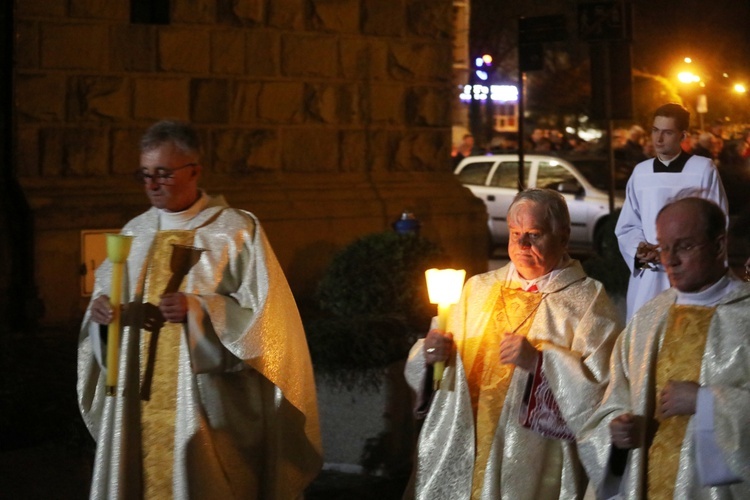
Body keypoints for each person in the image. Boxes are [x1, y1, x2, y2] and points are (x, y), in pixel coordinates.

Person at [77, 120, 323, 499]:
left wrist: (201, 312)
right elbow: (105, 308)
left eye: (163, 174)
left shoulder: (236, 231)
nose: (152, 185)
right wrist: (101, 318)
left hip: (206, 403)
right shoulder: (133, 232)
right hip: (135, 399)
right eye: (145, 175)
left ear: (195, 171)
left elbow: (267, 320)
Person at [404, 189, 622, 499]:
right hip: (463, 441)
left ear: (563, 237)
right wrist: (430, 357)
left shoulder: (587, 301)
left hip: (532, 458)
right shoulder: (477, 289)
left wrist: (540, 363)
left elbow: (600, 387)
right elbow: (437, 370)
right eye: (515, 233)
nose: (521, 244)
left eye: (534, 234)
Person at [579, 197, 750, 499]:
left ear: (719, 246)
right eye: (663, 246)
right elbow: (616, 398)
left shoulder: (745, 315)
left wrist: (706, 402)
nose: (669, 259)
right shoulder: (649, 317)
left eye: (684, 246)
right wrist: (618, 431)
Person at [615, 103, 728, 321]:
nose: (658, 139)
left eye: (667, 132)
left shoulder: (702, 169)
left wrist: (685, 253)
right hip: (649, 277)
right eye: (655, 130)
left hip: (690, 274)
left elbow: (716, 222)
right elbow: (628, 225)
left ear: (682, 135)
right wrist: (639, 250)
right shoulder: (641, 172)